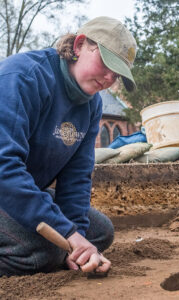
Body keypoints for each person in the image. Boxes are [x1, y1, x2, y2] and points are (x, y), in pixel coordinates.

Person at [0, 16, 137, 276]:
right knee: (45, 250)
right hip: (4, 187)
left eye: (117, 74)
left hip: (17, 197)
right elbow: (4, 168)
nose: (109, 78)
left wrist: (78, 242)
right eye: (106, 63)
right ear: (79, 45)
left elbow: (76, 178)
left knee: (100, 232)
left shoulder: (92, 104)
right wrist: (67, 235)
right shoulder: (22, 77)